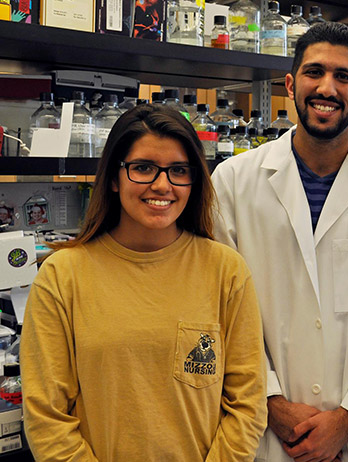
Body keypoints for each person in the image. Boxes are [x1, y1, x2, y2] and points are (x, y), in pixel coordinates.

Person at [211, 22, 348, 462]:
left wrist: (347, 420)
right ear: (291, 85)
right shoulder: (233, 182)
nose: (327, 88)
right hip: (265, 434)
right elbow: (219, 309)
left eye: (344, 76)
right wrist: (273, 405)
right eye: (315, 72)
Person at [21, 104, 267, 461]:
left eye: (178, 171)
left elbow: (247, 404)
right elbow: (47, 418)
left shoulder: (226, 271)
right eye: (143, 168)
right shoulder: (61, 277)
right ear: (113, 179)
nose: (162, 185)